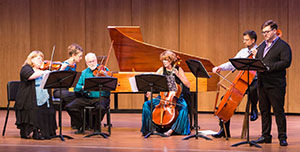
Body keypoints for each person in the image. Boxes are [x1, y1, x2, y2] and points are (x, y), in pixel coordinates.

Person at [211, 30, 259, 138]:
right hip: (242, 80)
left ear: (253, 40)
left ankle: (254, 108)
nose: (244, 42)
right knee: (225, 100)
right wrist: (220, 67)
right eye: (244, 39)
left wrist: (257, 55)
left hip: (255, 80)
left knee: (254, 89)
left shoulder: (260, 51)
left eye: (246, 40)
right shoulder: (242, 52)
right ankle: (223, 130)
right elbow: (232, 64)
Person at [253, 20, 292, 146]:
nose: (265, 34)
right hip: (262, 83)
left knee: (278, 111)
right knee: (264, 111)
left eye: (267, 32)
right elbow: (260, 62)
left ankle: (282, 137)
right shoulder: (261, 46)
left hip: (276, 84)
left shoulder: (283, 46)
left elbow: (286, 62)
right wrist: (255, 59)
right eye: (263, 32)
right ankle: (266, 136)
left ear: (275, 31)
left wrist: (269, 67)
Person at [140, 50, 191, 137]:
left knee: (184, 107)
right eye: (163, 60)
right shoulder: (161, 70)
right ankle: (149, 128)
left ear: (171, 60)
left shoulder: (179, 69)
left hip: (176, 97)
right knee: (146, 105)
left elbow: (188, 84)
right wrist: (149, 91)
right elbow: (154, 81)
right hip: (162, 97)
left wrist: (178, 75)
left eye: (166, 60)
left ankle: (172, 129)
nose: (164, 62)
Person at [14, 51, 57, 140]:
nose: (41, 60)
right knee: (35, 108)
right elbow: (30, 76)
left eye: (42, 59)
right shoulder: (26, 68)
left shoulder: (42, 70)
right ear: (32, 59)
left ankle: (45, 131)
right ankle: (34, 131)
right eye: (38, 58)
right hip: (28, 98)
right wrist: (44, 72)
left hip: (43, 97)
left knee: (49, 108)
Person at [66, 53, 111, 134]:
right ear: (86, 63)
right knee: (70, 107)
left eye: (93, 61)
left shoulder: (104, 70)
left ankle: (97, 127)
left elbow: (110, 82)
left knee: (101, 107)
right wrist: (83, 87)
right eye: (89, 62)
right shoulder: (84, 73)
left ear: (96, 60)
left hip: (101, 97)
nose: (92, 63)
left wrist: (104, 75)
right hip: (87, 97)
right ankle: (82, 125)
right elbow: (76, 87)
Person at [53, 43, 83, 128]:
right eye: (79, 56)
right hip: (59, 90)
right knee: (73, 97)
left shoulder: (74, 64)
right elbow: (57, 79)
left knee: (81, 94)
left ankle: (77, 123)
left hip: (67, 89)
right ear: (73, 55)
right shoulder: (64, 65)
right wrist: (61, 69)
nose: (81, 58)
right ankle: (79, 123)